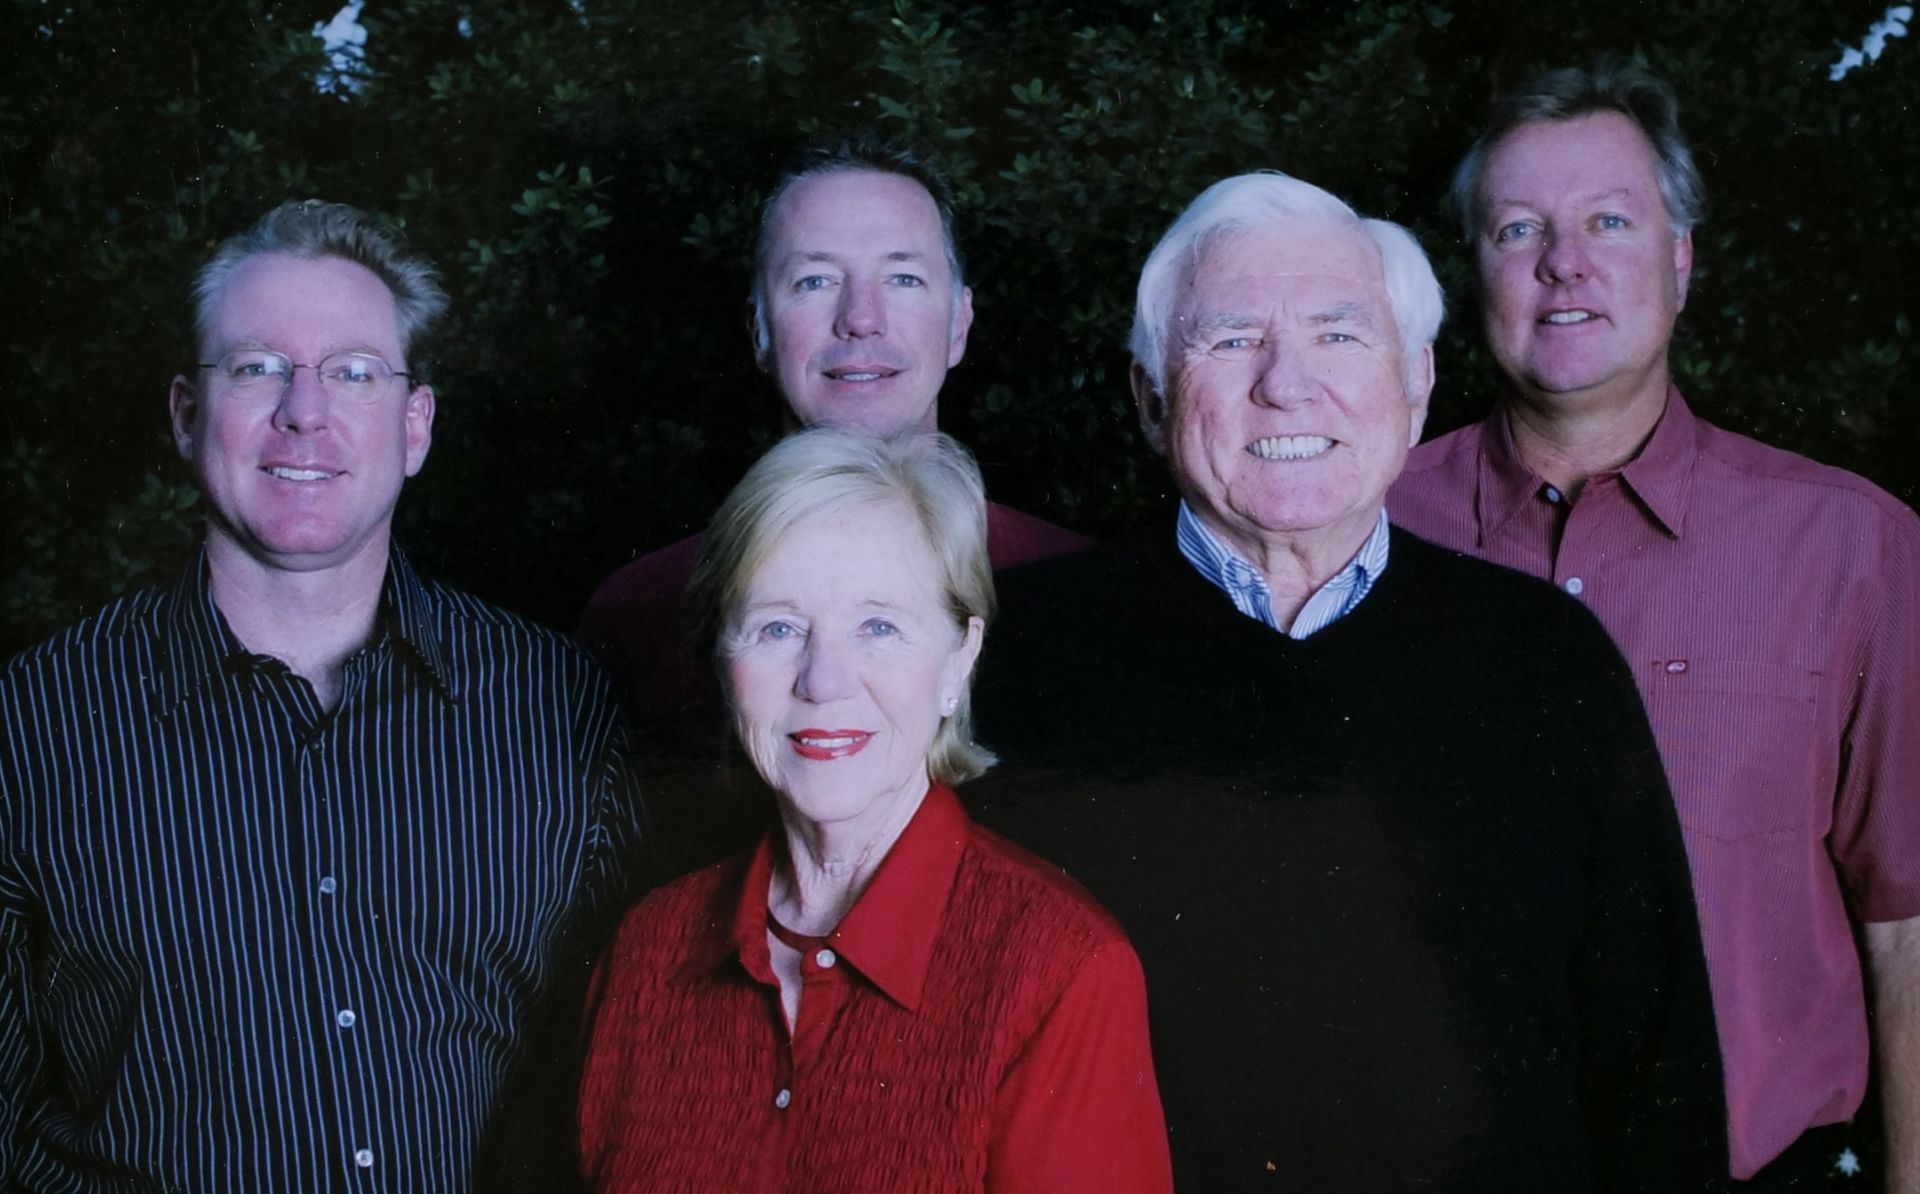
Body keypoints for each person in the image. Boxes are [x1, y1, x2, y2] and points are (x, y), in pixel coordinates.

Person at [965, 171, 1726, 1191]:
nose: (1287, 383)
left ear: (1415, 388)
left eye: (1338, 334)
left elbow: (1654, 1063)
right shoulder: (1012, 659)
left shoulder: (1548, 657)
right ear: (1150, 398)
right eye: (1232, 339)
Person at [0, 200, 646, 1190]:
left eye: (353, 372)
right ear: (186, 414)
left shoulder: (557, 704)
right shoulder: (33, 726)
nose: (304, 410)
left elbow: (636, 1080)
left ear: (415, 425)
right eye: (257, 366)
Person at [1388, 61, 1920, 1190]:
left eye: (1610, 221)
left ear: (1681, 259)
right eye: (1518, 229)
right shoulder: (1363, 530)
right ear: (1473, 271)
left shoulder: (1852, 546)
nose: (1564, 262)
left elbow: (1909, 922)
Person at [577, 429, 1169, 1192]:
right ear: (724, 661)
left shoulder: (1060, 967)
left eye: (878, 627)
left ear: (959, 660)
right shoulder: (649, 947)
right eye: (778, 628)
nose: (823, 681)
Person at [574, 134, 1089, 865]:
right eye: (815, 281)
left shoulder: (1079, 590)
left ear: (959, 324)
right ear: (759, 327)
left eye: (904, 278)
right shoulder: (639, 611)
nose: (862, 318)